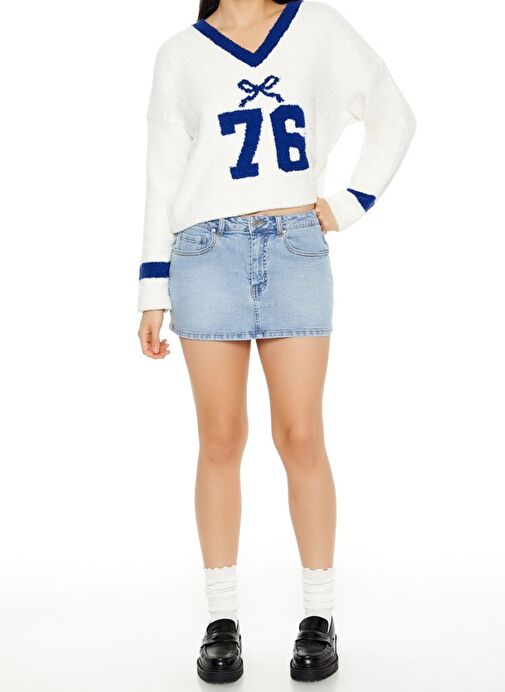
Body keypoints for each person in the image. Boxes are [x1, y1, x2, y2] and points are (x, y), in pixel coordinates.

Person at [137, 0, 415, 683]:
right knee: (220, 437)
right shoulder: (179, 54)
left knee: (300, 435)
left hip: (294, 249)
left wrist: (349, 204)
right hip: (203, 254)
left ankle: (318, 616)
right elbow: (162, 176)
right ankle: (220, 619)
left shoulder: (316, 26)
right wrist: (151, 289)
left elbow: (393, 112)